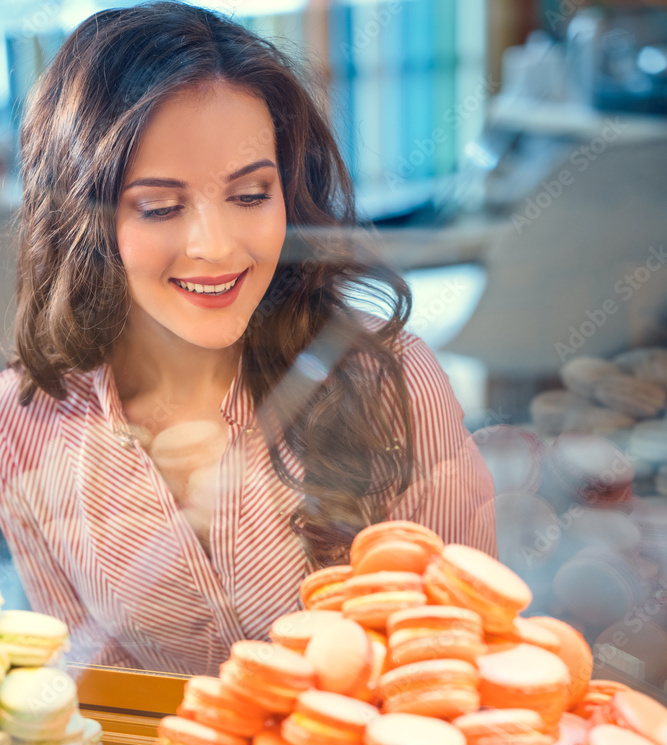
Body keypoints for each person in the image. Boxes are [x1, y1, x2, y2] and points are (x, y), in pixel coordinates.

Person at [0, 1, 496, 674]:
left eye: (249, 195)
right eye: (160, 207)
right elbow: (91, 707)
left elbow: (468, 654)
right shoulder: (21, 427)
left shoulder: (386, 375)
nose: (215, 247)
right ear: (81, 219)